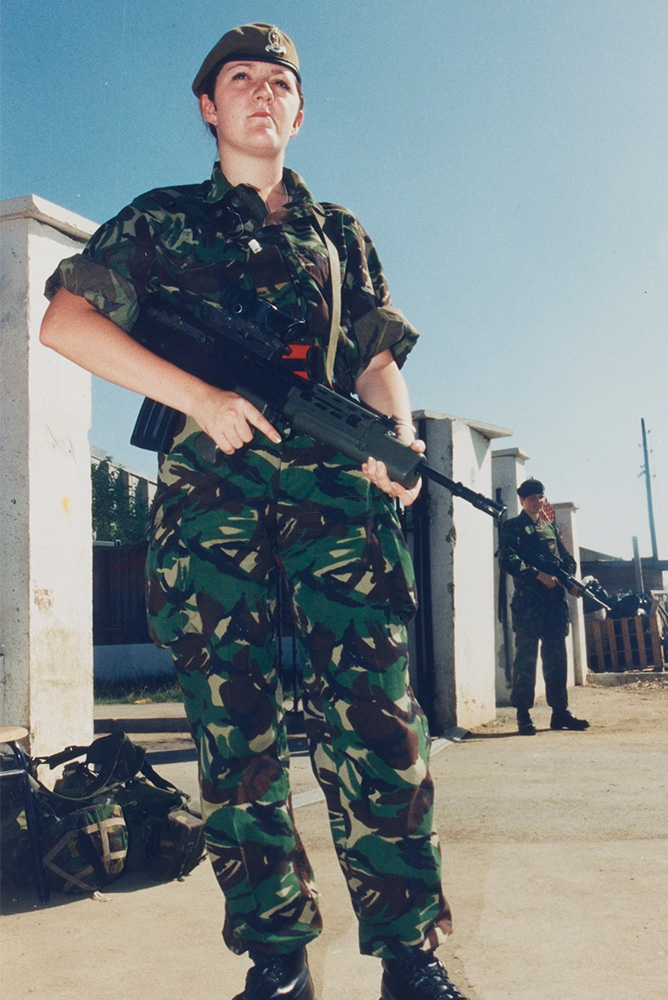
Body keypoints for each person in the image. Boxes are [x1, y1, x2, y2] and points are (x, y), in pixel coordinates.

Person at [40, 23, 472, 1000]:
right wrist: (196, 396)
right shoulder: (157, 222)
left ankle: (409, 954)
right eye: (239, 78)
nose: (261, 93)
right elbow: (67, 320)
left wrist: (392, 441)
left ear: (300, 110)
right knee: (234, 733)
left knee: (375, 717)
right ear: (207, 105)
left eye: (280, 82)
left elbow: (372, 355)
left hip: (336, 503)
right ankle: (276, 960)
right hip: (211, 505)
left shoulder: (340, 235)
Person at [498, 478, 590, 735]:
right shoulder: (512, 527)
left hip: (553, 606)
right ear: (522, 500)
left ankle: (560, 713)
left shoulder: (550, 526)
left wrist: (565, 579)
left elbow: (567, 560)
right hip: (528, 605)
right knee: (525, 660)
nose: (537, 500)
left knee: (556, 660)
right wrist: (538, 575)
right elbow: (507, 560)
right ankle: (523, 714)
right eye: (531, 497)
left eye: (540, 496)